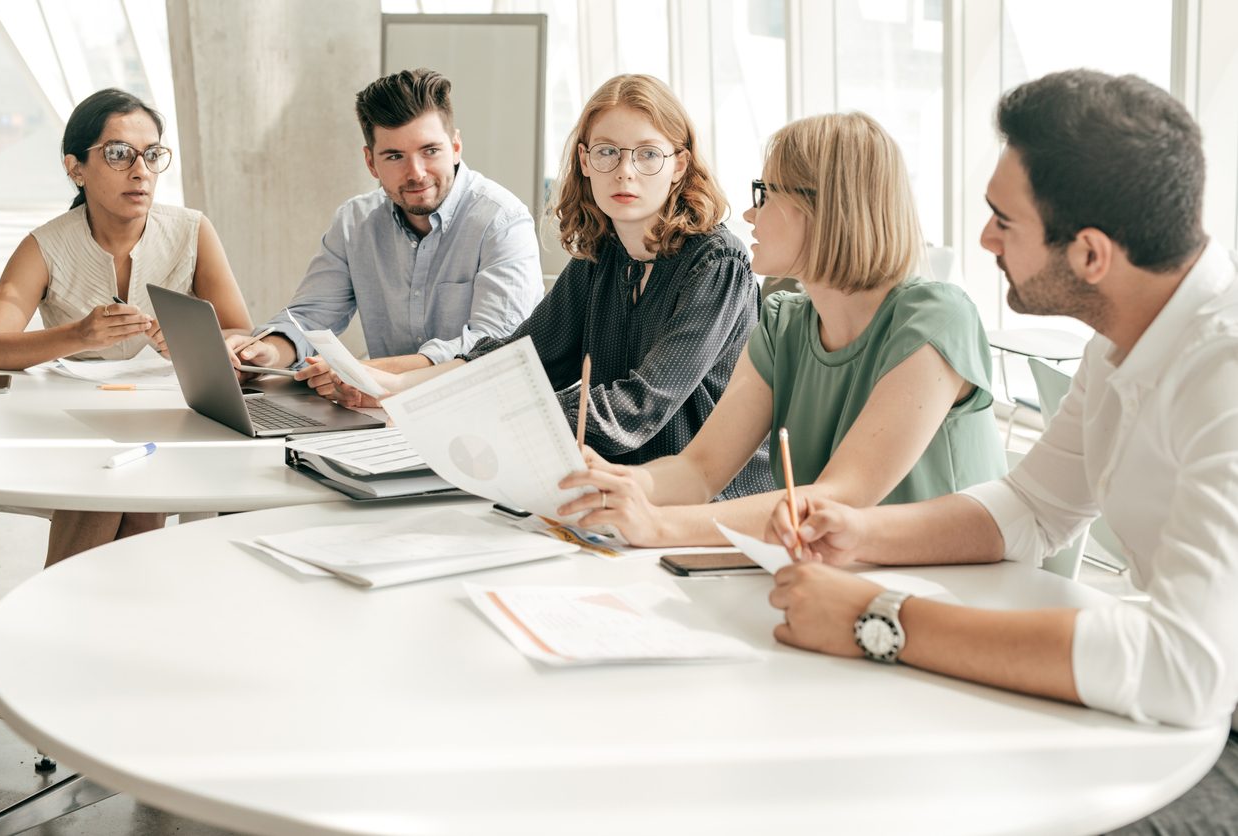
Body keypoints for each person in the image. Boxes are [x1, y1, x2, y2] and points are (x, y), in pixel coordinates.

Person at [765, 69, 1238, 743]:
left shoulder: (1224, 371)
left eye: (1004, 221)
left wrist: (879, 618)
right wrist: (862, 534)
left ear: (1089, 254)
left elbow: (1181, 669)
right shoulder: (1122, 338)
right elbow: (1036, 505)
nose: (985, 238)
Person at [556, 112, 1005, 545]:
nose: (750, 216)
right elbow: (698, 471)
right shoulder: (781, 324)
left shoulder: (936, 318)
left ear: (825, 208)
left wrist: (657, 525)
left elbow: (841, 498)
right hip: (838, 577)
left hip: (952, 591)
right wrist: (616, 483)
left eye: (765, 194)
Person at [335, 74, 772, 497]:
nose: (625, 172)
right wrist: (401, 389)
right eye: (607, 153)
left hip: (700, 504)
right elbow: (520, 358)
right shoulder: (602, 256)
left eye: (647, 154)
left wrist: (463, 414)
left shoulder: (717, 264)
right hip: (605, 487)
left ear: (679, 164)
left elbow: (639, 405)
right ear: (585, 162)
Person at [0, 88, 252, 565]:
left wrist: (195, 344)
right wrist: (77, 336)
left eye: (151, 155)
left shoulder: (191, 230)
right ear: (75, 168)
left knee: (128, 476)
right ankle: (115, 617)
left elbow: (240, 332)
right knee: (117, 480)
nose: (140, 170)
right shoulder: (44, 246)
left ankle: (69, 610)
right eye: (118, 155)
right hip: (68, 428)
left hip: (165, 418)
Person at [228, 67, 543, 387]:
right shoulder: (355, 223)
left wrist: (363, 372)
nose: (416, 173)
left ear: (456, 146)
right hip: (383, 415)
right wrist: (262, 354)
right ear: (370, 162)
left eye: (430, 151)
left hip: (481, 409)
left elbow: (494, 348)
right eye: (395, 156)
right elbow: (308, 319)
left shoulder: (502, 221)